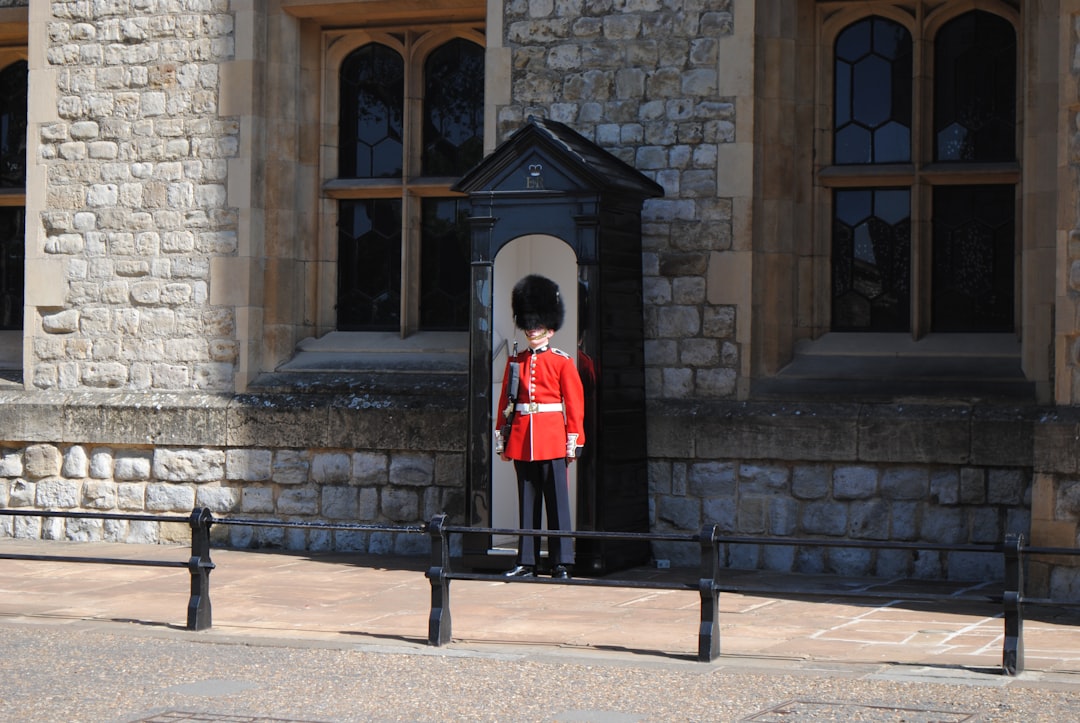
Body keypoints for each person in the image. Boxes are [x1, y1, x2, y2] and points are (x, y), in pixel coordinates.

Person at [494, 274, 585, 580]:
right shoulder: (515, 362)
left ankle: (562, 562)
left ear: (550, 328)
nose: (533, 329)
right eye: (529, 324)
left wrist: (574, 439)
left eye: (538, 324)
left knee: (557, 503)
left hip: (552, 438)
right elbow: (506, 403)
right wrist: (502, 438)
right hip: (522, 438)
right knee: (527, 503)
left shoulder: (562, 362)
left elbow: (573, 405)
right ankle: (527, 561)